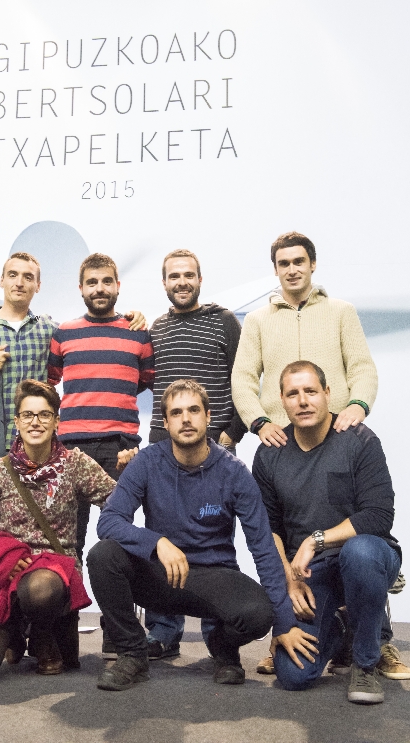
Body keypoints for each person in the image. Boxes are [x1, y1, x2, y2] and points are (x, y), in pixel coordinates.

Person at [0, 252, 143, 659]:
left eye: (28, 277)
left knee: (43, 541)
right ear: (2, 280)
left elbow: (67, 366)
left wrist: (132, 318)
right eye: (13, 275)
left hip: (34, 449)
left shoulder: (50, 330)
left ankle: (29, 626)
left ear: (38, 285)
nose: (20, 282)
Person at [86, 379, 315, 692]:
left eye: (193, 410)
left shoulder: (234, 472)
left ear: (208, 417)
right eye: (176, 412)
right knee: (103, 555)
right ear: (165, 422)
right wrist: (157, 542)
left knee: (260, 614)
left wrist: (284, 624)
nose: (186, 419)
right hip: (161, 575)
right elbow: (109, 521)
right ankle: (132, 654)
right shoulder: (147, 462)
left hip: (214, 576)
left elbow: (263, 548)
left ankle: (223, 647)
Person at [252, 361, 403, 704]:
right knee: (293, 675)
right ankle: (340, 628)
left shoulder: (359, 441)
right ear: (282, 400)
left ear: (327, 394)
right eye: (293, 394)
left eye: (311, 391)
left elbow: (379, 516)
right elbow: (268, 528)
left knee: (359, 553)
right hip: (310, 572)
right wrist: (288, 580)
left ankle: (365, 662)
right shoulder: (270, 454)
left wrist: (314, 540)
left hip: (369, 554)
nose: (303, 400)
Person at [0, 379, 119, 684]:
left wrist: (131, 470)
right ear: (17, 421)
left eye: (44, 414)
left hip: (52, 576)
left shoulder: (75, 464)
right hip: (5, 574)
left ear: (56, 421)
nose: (36, 422)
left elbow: (117, 500)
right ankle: (15, 630)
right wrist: (5, 559)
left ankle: (42, 633)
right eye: (28, 415)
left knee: (40, 589)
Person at [145, 248, 246, 659]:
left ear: (200, 280)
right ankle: (162, 631)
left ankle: (217, 632)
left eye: (188, 275)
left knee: (213, 536)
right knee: (161, 536)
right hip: (164, 449)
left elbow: (243, 380)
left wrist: (231, 433)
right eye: (174, 276)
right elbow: (153, 388)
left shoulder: (224, 322)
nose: (181, 282)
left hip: (215, 448)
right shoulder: (157, 328)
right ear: (164, 283)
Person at [48, 252, 154, 563]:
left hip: (120, 448)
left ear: (118, 286)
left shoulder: (138, 333)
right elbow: (50, 381)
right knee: (67, 541)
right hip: (70, 449)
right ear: (81, 288)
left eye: (107, 281)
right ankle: (67, 598)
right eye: (92, 282)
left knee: (117, 539)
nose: (99, 288)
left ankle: (118, 600)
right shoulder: (63, 333)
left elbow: (145, 379)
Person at [232, 231, 378, 448]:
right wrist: (259, 423)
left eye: (299, 262)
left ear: (313, 264)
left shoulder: (342, 312)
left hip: (337, 433)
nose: (292, 270)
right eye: (284, 264)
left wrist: (359, 405)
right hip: (281, 439)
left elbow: (362, 368)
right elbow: (243, 379)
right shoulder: (256, 320)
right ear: (276, 269)